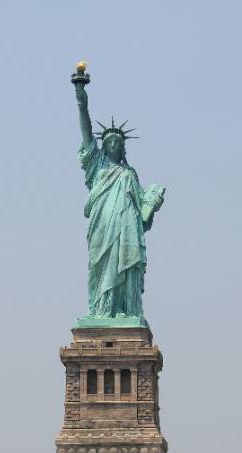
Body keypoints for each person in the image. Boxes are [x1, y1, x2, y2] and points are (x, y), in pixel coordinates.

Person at [73, 75, 165, 322]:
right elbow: (85, 129)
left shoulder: (130, 174)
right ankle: (101, 311)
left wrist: (153, 204)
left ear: (123, 148)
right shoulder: (97, 165)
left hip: (127, 231)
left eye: (118, 142)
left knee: (124, 264)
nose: (113, 144)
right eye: (109, 141)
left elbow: (143, 216)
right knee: (100, 265)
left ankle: (125, 309)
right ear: (103, 146)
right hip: (102, 225)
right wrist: (81, 97)